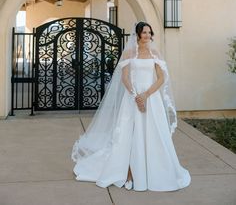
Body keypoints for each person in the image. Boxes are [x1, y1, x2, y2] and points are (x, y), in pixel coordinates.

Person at [72, 21, 191, 191]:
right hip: (132, 99)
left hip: (151, 98)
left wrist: (145, 96)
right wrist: (136, 96)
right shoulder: (128, 53)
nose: (148, 36)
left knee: (152, 134)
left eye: (150, 33)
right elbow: (125, 78)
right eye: (144, 33)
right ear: (137, 34)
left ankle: (153, 171)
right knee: (129, 135)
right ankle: (128, 173)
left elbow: (161, 78)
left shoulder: (154, 53)